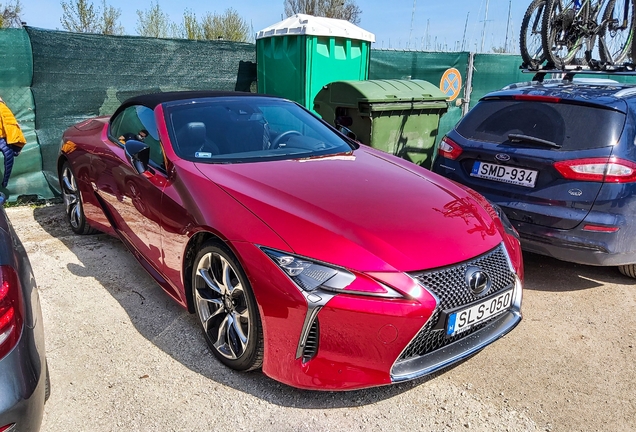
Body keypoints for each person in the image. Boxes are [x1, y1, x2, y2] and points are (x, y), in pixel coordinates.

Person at [0, 96, 26, 188]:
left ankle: (4, 184)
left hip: (4, 139)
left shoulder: (3, 109)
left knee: (9, 159)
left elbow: (11, 127)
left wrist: (16, 144)